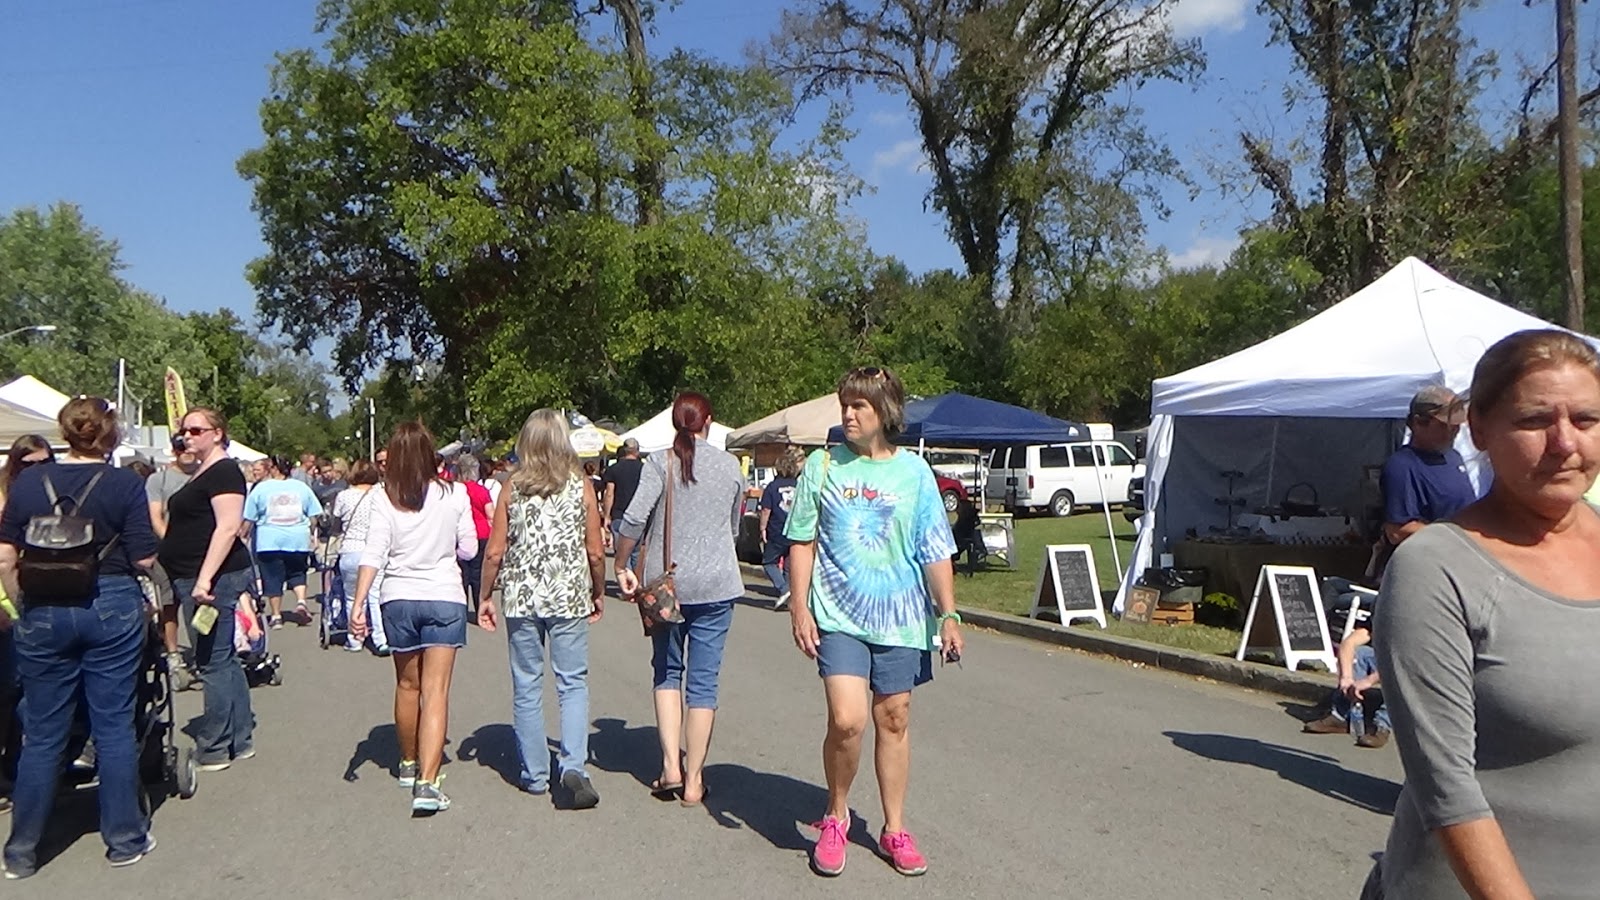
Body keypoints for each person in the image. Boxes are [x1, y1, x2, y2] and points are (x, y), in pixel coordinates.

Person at [1361, 329, 1600, 899]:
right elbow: (1447, 789)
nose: (1564, 442)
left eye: (1586, 419)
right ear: (1481, 430)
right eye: (1536, 420)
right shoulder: (1436, 569)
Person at [785, 365, 962, 879]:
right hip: (838, 616)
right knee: (847, 719)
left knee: (895, 719)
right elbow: (802, 541)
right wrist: (799, 606)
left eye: (859, 406)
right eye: (845, 404)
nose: (848, 414)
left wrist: (948, 613)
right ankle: (836, 815)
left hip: (903, 619)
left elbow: (934, 549)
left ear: (885, 412)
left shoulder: (914, 473)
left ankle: (894, 827)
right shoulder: (823, 466)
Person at [0, 398, 159, 877]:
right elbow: (145, 559)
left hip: (44, 605)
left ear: (66, 432)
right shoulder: (124, 483)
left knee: (44, 730)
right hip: (108, 600)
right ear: (109, 434)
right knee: (112, 724)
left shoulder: (27, 482)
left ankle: (22, 850)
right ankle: (124, 838)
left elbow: (6, 556)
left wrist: (21, 602)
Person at [614, 393, 745, 808]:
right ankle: (694, 780)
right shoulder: (730, 467)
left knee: (667, 671)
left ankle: (671, 766)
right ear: (709, 421)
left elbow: (634, 518)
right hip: (718, 584)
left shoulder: (659, 462)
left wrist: (621, 561)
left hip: (667, 585)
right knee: (704, 682)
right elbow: (734, 526)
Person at [477, 409, 606, 809]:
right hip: (568, 596)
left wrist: (483, 596)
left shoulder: (511, 487)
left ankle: (534, 774)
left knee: (527, 684)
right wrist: (597, 590)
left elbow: (495, 551)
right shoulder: (579, 485)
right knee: (572, 683)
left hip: (522, 597)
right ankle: (573, 766)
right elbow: (595, 550)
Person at [350, 422, 476, 815]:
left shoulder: (385, 499)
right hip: (443, 596)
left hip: (398, 598)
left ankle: (407, 761)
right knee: (435, 691)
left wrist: (357, 604)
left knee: (407, 685)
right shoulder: (454, 494)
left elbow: (374, 553)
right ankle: (427, 781)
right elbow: (469, 549)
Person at [161, 408, 257, 772]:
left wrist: (204, 579)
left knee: (211, 660)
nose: (188, 436)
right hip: (194, 573)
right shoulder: (203, 471)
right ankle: (239, 736)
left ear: (217, 433)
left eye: (196, 430)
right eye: (184, 430)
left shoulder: (224, 471)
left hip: (211, 578)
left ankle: (215, 745)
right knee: (222, 659)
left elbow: (228, 526)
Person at [0, 436, 54, 814]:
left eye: (44, 462)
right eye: (28, 463)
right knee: (10, 690)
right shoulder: (5, 497)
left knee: (28, 691)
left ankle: (22, 770)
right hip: (8, 605)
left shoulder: (49, 494)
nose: (36, 470)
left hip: (43, 600)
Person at [1379, 385, 1477, 548]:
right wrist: (1458, 540)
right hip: (1432, 563)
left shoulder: (1453, 457)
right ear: (1418, 422)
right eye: (1445, 425)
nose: (1455, 431)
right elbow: (1398, 530)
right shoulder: (1401, 466)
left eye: (1457, 425)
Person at [145, 435, 201, 690]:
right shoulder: (159, 479)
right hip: (168, 552)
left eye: (189, 446)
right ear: (173, 450)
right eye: (180, 447)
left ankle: (204, 651)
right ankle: (173, 653)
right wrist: (171, 540)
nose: (186, 452)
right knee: (170, 603)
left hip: (201, 552)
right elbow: (155, 516)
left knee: (200, 604)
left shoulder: (205, 475)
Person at [243, 456, 323, 629]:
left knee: (272, 577)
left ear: (273, 468)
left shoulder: (261, 488)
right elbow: (314, 515)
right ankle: (301, 600)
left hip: (269, 539)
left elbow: (249, 517)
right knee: (297, 572)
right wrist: (310, 533)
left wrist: (243, 535)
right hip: (297, 538)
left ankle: (277, 615)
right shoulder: (301, 487)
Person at [1301, 610, 1389, 747]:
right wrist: (1346, 678)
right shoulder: (1384, 604)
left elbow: (1408, 660)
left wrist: (1369, 680)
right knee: (1360, 653)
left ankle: (1382, 726)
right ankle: (1342, 716)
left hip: (1417, 665)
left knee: (1404, 672)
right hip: (1388, 660)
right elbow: (1349, 643)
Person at [331, 460, 383, 653]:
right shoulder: (380, 495)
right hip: (374, 550)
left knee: (352, 597)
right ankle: (380, 638)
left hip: (351, 549)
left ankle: (355, 638)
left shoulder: (344, 496)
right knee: (375, 596)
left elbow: (336, 525)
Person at [759, 446, 804, 611]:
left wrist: (762, 528)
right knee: (789, 565)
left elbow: (766, 510)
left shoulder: (772, 487)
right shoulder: (799, 485)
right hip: (794, 528)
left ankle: (784, 589)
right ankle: (790, 595)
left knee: (769, 562)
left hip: (776, 529)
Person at [455, 455, 493, 613]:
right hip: (482, 534)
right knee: (478, 574)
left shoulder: (457, 490)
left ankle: (462, 607)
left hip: (461, 534)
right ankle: (479, 609)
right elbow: (490, 513)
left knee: (462, 575)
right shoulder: (481, 491)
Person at [601, 438, 643, 565]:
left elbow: (609, 493)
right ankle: (635, 581)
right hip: (640, 514)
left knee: (622, 553)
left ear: (624, 451)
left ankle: (626, 580)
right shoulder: (645, 469)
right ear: (637, 451)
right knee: (636, 552)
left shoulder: (614, 469)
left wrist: (607, 515)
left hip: (619, 514)